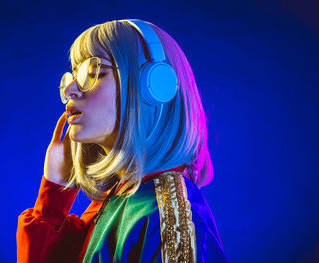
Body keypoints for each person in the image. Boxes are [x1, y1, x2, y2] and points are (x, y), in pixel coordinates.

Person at [16, 19, 229, 263]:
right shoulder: (124, 196)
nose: (70, 90)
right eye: (73, 75)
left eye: (93, 73)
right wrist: (54, 192)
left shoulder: (170, 221)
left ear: (153, 88)